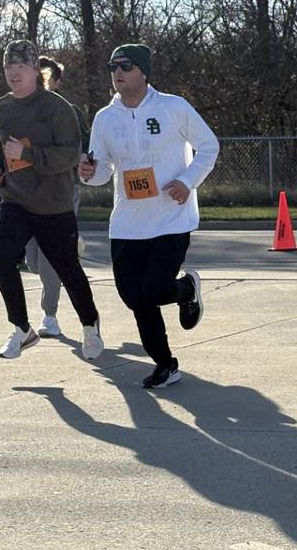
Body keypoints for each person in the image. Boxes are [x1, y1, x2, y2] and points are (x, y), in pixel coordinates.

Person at [82, 43, 218, 390]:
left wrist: (187, 181)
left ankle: (185, 288)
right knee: (134, 297)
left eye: (125, 66)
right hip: (127, 223)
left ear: (143, 71)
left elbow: (209, 146)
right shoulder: (105, 118)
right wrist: (88, 172)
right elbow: (102, 172)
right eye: (113, 66)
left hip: (171, 218)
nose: (118, 72)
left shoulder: (173, 107)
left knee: (154, 288)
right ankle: (166, 366)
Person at [0, 39, 103, 360]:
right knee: (1, 256)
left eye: (20, 68)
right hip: (15, 200)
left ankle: (90, 325)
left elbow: (69, 155)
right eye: (8, 68)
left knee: (68, 269)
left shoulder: (56, 107)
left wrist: (26, 153)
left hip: (53, 203)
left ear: (35, 71)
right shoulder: (0, 108)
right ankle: (22, 329)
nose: (13, 74)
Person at [26, 55, 87, 337]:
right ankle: (72, 248)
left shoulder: (69, 111)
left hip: (61, 190)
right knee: (33, 261)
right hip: (25, 192)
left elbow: (80, 148)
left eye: (48, 77)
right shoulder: (17, 108)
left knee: (50, 254)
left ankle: (49, 316)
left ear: (58, 81)